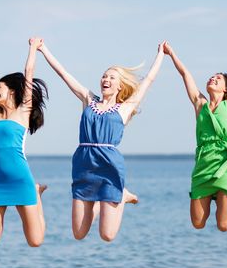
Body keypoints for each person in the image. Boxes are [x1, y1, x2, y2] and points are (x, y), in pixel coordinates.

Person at [36, 38, 165, 242]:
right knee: (78, 234)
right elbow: (64, 74)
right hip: (83, 164)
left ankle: (121, 195)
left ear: (120, 86)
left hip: (109, 167)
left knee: (107, 235)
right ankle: (105, 200)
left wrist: (161, 55)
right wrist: (43, 49)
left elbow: (148, 81)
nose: (106, 79)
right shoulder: (89, 99)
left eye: (112, 77)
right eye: (105, 76)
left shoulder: (125, 107)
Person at [163, 22, 227, 232]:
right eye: (212, 77)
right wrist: (171, 53)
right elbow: (185, 74)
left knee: (223, 226)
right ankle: (211, 195)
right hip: (204, 165)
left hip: (226, 166)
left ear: (226, 88)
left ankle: (222, 197)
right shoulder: (200, 104)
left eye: (219, 78)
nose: (213, 78)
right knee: (197, 224)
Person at [0, 38, 49, 247]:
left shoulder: (23, 111)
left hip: (21, 178)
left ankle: (37, 192)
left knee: (36, 241)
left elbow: (28, 71)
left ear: (12, 90)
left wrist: (33, 48)